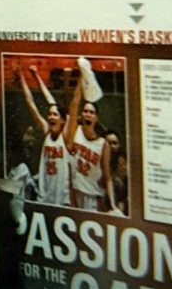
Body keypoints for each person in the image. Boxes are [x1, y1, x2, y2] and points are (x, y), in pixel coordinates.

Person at [65, 57, 119, 213]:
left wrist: (112, 204)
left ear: (96, 117)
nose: (87, 114)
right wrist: (83, 72)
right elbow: (74, 103)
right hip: (75, 192)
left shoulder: (103, 144)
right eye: (85, 111)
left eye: (91, 112)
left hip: (93, 197)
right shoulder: (76, 132)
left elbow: (107, 177)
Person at [16, 63, 73, 207]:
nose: (51, 117)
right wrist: (21, 75)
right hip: (44, 194)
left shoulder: (66, 136)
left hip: (62, 198)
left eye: (55, 115)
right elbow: (31, 102)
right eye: (49, 114)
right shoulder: (47, 130)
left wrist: (36, 76)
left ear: (62, 119)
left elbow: (51, 99)